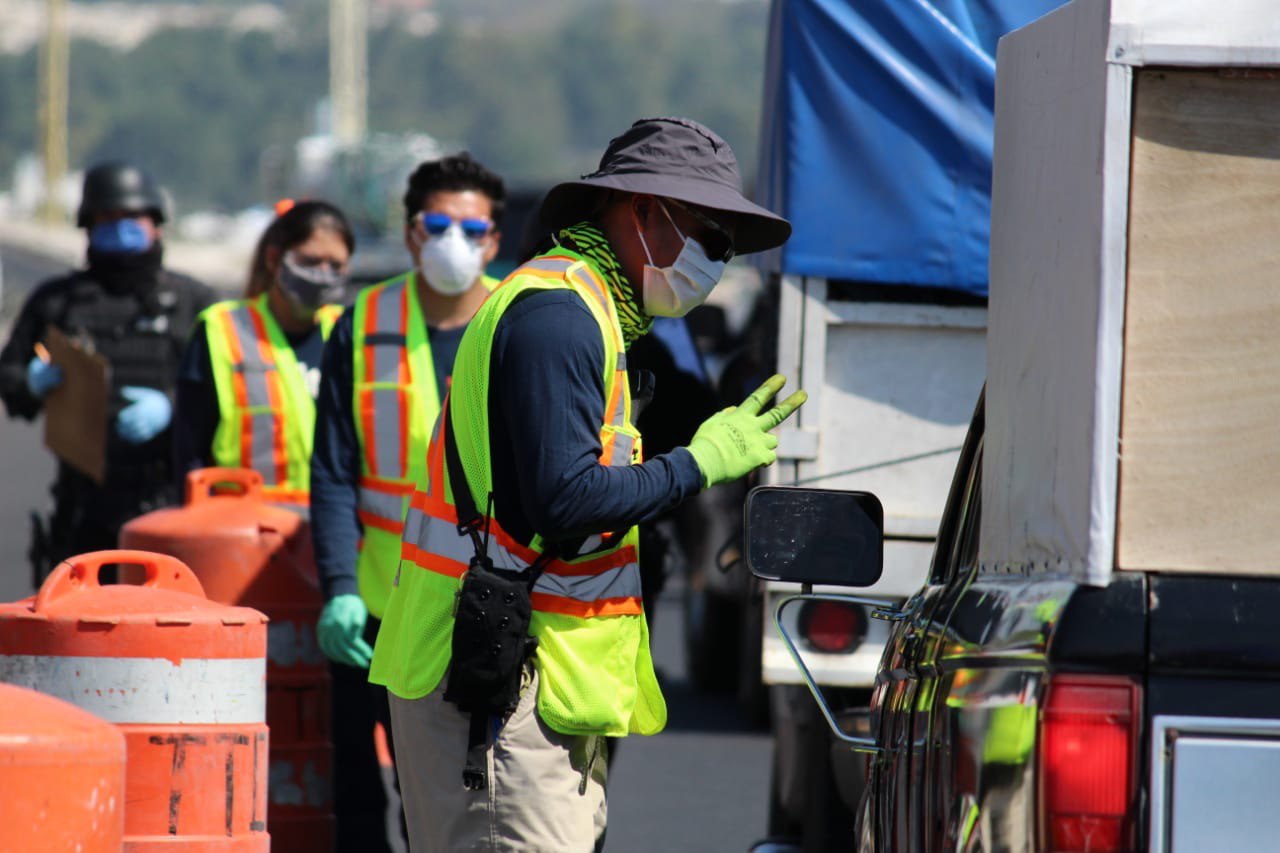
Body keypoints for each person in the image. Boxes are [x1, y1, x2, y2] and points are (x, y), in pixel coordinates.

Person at [370, 116, 806, 851]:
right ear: (644, 211)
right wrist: (696, 463)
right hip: (497, 691)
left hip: (523, 681)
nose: (718, 262)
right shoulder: (561, 316)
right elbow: (562, 499)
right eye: (711, 238)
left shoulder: (593, 312)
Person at [309, 153, 505, 850]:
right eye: (438, 222)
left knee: (451, 789)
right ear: (412, 230)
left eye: (472, 226)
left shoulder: (522, 320)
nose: (455, 239)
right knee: (359, 789)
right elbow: (332, 471)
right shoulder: (362, 323)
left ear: (495, 240)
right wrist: (336, 586)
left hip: (482, 605)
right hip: (374, 603)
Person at [0, 161, 215, 581]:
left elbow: (229, 391)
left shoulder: (192, 302)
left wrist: (174, 408)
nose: (121, 229)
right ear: (87, 226)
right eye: (107, 220)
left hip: (170, 497)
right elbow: (8, 380)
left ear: (156, 224)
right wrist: (31, 381)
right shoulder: (57, 302)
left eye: (132, 219)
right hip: (83, 503)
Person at [171, 200, 353, 507]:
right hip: (242, 531)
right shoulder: (222, 331)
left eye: (335, 265)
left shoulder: (349, 333)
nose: (322, 274)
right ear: (274, 259)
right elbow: (188, 453)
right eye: (310, 261)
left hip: (330, 530)